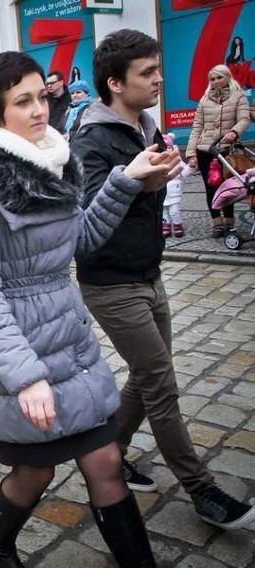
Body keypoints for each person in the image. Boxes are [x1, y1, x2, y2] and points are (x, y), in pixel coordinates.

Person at [0, 50, 178, 568]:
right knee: (35, 474)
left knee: (106, 461)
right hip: (19, 356)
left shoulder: (51, 161)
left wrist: (128, 179)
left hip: (71, 348)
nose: (38, 110)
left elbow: (83, 240)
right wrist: (25, 376)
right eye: (22, 101)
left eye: (41, 97)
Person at [71, 29, 255, 532]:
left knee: (148, 374)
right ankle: (201, 489)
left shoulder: (145, 125)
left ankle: (113, 454)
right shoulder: (92, 138)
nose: (158, 80)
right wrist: (138, 183)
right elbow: (83, 223)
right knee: (161, 383)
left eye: (158, 69)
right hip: (110, 282)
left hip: (149, 272)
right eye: (147, 73)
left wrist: (159, 180)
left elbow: (144, 193)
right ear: (114, 82)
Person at [185, 64, 251, 237]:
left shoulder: (239, 95)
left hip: (227, 149)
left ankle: (229, 221)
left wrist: (234, 131)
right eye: (212, 79)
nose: (215, 81)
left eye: (219, 77)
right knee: (210, 187)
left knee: (228, 186)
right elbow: (197, 127)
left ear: (227, 77)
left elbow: (244, 118)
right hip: (205, 150)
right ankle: (217, 223)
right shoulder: (204, 99)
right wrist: (191, 153)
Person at [161, 133, 197, 238]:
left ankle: (177, 226)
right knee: (164, 212)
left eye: (168, 147)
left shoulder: (177, 160)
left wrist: (191, 166)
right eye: (164, 147)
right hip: (162, 192)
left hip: (174, 191)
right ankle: (166, 226)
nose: (167, 150)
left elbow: (184, 172)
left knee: (174, 211)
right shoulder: (158, 161)